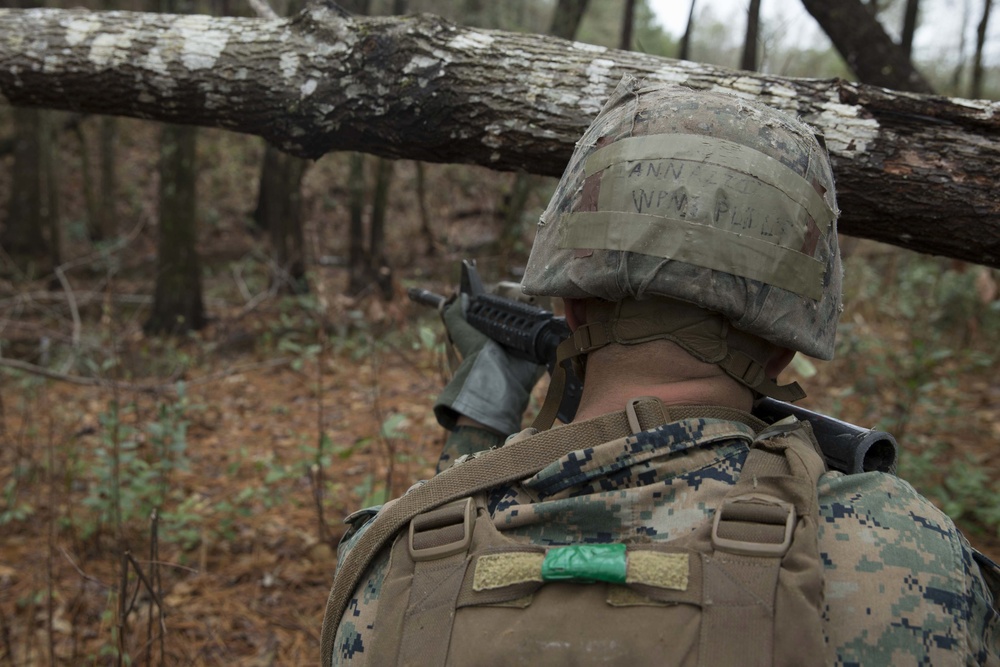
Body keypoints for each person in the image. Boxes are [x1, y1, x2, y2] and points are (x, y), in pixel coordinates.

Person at [320, 76, 1000, 666]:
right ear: (786, 344)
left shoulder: (388, 559)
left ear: (570, 304)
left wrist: (479, 415)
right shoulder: (903, 552)